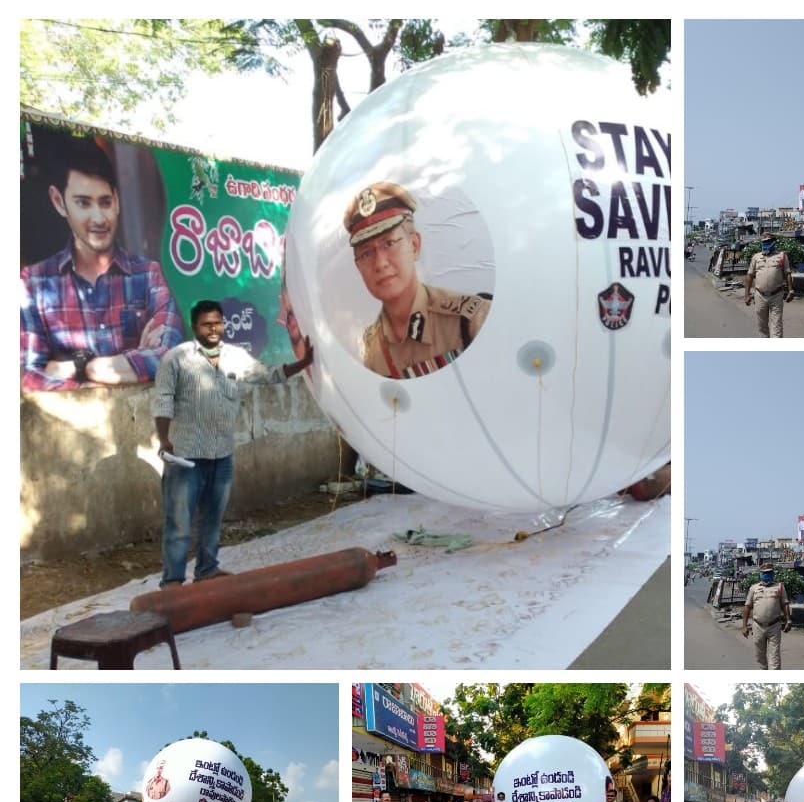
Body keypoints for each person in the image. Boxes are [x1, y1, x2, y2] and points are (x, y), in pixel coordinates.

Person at [152, 299, 314, 587]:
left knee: (213, 520)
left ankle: (207, 571)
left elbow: (267, 375)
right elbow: (163, 400)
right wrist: (165, 439)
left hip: (222, 456)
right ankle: (172, 583)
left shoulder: (236, 356)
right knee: (179, 524)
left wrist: (302, 364)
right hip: (186, 457)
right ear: (194, 326)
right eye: (207, 324)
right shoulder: (176, 359)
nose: (214, 329)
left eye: (218, 323)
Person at [21, 137, 185, 392]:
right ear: (59, 201)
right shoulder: (33, 284)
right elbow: (28, 376)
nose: (99, 218)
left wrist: (80, 368)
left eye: (105, 202)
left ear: (117, 201)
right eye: (83, 203)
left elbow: (172, 357)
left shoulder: (148, 275)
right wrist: (135, 359)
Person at [345, 182, 491, 379]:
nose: (380, 263)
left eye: (389, 243)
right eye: (367, 253)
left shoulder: (469, 320)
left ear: (414, 245)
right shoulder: (369, 350)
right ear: (358, 266)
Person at [743, 232, 795, 338]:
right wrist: (747, 295)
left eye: (769, 241)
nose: (766, 243)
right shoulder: (756, 257)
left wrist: (791, 291)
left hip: (776, 295)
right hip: (760, 295)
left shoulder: (782, 256)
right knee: (762, 326)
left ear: (774, 242)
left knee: (776, 326)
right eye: (764, 241)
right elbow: (749, 275)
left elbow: (788, 274)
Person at [742, 562, 792, 670]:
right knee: (759, 655)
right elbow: (747, 607)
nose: (767, 575)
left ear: (773, 573)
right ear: (760, 574)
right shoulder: (753, 588)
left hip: (774, 626)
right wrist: (744, 626)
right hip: (757, 626)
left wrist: (788, 621)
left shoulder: (779, 587)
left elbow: (785, 604)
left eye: (769, 572)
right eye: (764, 573)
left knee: (775, 657)